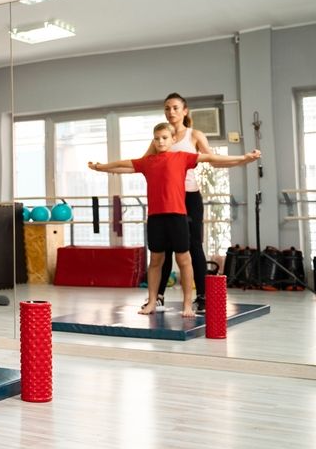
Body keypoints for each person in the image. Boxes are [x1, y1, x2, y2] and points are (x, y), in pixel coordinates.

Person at [89, 123, 260, 318]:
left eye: (164, 137)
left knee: (184, 260)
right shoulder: (147, 162)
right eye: (157, 138)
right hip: (155, 218)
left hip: (177, 216)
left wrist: (244, 158)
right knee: (155, 261)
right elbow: (122, 163)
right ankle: (152, 301)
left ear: (172, 140)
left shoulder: (182, 157)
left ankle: (187, 304)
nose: (160, 141)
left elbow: (211, 157)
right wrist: (100, 167)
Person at [143, 93, 229, 314]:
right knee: (164, 249)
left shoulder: (194, 135)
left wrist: (240, 160)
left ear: (184, 111)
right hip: (167, 198)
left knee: (193, 246)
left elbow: (212, 159)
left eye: (174, 108)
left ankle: (202, 295)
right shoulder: (161, 137)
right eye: (167, 109)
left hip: (190, 196)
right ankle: (158, 296)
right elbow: (145, 163)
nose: (171, 112)